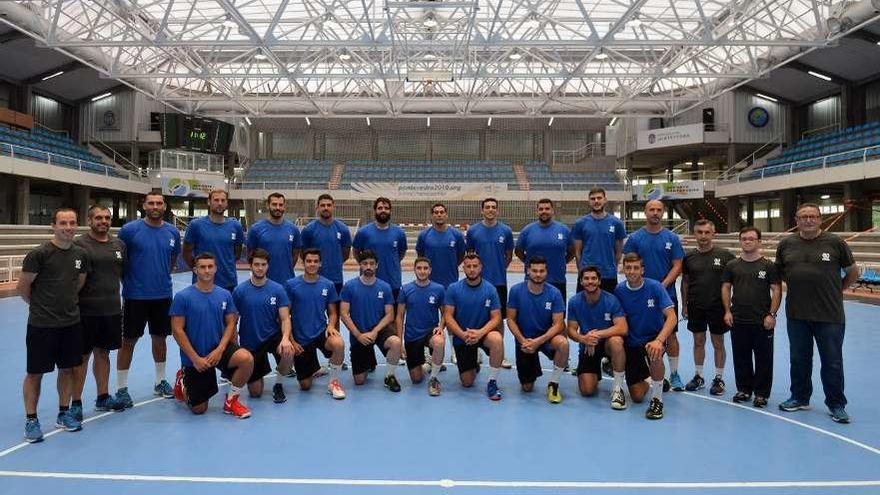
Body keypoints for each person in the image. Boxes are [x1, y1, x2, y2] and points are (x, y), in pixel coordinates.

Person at [775, 203, 857, 423]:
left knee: (832, 361)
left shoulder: (835, 242)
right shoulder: (786, 245)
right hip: (797, 314)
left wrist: (836, 289)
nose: (808, 220)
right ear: (796, 220)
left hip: (830, 315)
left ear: (820, 219)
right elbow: (782, 273)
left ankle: (836, 404)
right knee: (799, 359)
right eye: (803, 217)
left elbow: (852, 272)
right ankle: (800, 397)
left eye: (812, 216)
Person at [18, 208, 90, 442]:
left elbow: (78, 283)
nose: (68, 227)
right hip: (42, 324)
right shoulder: (39, 254)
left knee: (68, 369)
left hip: (70, 323)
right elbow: (24, 288)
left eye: (72, 223)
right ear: (53, 225)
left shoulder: (80, 254)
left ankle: (63, 412)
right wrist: (41, 306)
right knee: (35, 373)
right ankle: (31, 420)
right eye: (63, 223)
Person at [116, 191, 181, 407]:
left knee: (160, 338)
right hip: (135, 296)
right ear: (144, 205)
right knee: (128, 341)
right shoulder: (129, 231)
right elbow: (120, 261)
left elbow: (172, 260)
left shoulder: (172, 232)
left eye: (159, 203)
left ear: (164, 206)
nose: (155, 206)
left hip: (162, 295)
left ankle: (160, 381)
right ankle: (121, 388)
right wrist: (131, 283)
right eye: (151, 203)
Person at [170, 253, 254, 418]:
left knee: (246, 359)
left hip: (218, 349)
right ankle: (182, 382)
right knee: (199, 409)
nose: (207, 270)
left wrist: (220, 349)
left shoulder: (224, 295)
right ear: (195, 270)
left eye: (210, 266)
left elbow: (231, 323)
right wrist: (195, 359)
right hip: (196, 356)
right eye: (202, 267)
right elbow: (177, 330)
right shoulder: (183, 297)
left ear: (215, 268)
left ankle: (231, 401)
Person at [623, 200, 684, 391]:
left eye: (659, 210)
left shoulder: (671, 238)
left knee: (671, 335)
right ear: (645, 212)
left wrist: (661, 285)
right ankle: (643, 369)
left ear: (663, 213)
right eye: (652, 209)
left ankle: (674, 374)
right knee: (637, 332)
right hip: (639, 295)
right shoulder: (635, 238)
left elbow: (678, 265)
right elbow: (629, 263)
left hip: (667, 293)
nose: (655, 213)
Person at [72, 205, 126, 419]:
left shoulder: (119, 245)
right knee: (82, 357)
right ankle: (75, 402)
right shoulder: (79, 245)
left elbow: (122, 274)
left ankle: (102, 397)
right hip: (85, 311)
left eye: (106, 218)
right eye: (98, 218)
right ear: (89, 219)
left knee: (103, 354)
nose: (103, 221)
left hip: (111, 309)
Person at [721, 227, 781, 408]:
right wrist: (727, 311)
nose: (747, 241)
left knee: (764, 358)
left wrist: (771, 314)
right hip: (738, 319)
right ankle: (744, 389)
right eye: (744, 239)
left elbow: (777, 289)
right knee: (741, 357)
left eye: (751, 239)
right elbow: (725, 287)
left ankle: (762, 393)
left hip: (762, 321)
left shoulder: (768, 266)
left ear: (759, 242)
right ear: (740, 241)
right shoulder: (732, 265)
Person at [614, 253, 678, 420]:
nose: (632, 271)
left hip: (652, 339)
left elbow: (672, 317)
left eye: (636, 267)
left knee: (655, 353)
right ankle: (654, 379)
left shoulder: (655, 287)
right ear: (623, 270)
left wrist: (659, 340)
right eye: (628, 267)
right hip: (632, 342)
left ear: (642, 270)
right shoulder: (619, 290)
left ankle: (657, 399)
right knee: (636, 396)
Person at [232, 249, 294, 403]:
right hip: (250, 340)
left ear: (268, 266)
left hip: (272, 336)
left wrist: (286, 338)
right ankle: (257, 371)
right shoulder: (240, 291)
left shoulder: (277, 289)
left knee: (289, 353)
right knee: (255, 393)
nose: (260, 268)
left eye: (263, 264)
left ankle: (278, 384)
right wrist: (235, 346)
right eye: (257, 264)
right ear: (250, 266)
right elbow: (232, 322)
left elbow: (285, 318)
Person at [681, 219, 735, 395]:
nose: (703, 236)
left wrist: (729, 308)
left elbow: (733, 282)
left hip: (718, 307)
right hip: (696, 305)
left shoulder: (726, 256)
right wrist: (685, 305)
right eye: (699, 232)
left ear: (713, 234)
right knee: (698, 341)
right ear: (695, 234)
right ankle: (699, 376)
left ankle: (719, 378)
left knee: (717, 342)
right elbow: (686, 282)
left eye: (706, 232)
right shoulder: (688, 257)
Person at [285, 248, 347, 399]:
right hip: (300, 337)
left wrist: (331, 326)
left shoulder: (328, 285)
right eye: (309, 261)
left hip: (320, 332)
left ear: (320, 264)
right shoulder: (291, 285)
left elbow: (332, 312)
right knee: (305, 386)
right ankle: (313, 368)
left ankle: (334, 383)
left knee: (338, 343)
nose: (312, 264)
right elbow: (285, 316)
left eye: (315, 261)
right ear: (303, 263)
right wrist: (291, 340)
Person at [506, 256, 568, 403]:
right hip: (525, 340)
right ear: (528, 271)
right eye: (534, 271)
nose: (538, 274)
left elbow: (559, 324)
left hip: (546, 339)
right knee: (527, 388)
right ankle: (533, 363)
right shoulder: (516, 291)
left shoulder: (554, 293)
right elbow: (510, 319)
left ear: (546, 272)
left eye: (542, 271)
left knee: (563, 344)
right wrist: (523, 341)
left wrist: (538, 341)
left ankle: (554, 383)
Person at [444, 253, 505, 400]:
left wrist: (480, 333)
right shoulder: (453, 289)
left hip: (483, 334)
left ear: (481, 267)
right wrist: (462, 334)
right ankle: (474, 364)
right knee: (467, 382)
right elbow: (448, 316)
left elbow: (496, 317)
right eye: (468, 266)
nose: (472, 269)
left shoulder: (490, 289)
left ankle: (492, 381)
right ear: (463, 268)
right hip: (463, 336)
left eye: (475, 266)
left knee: (496, 339)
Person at [340, 250, 403, 391]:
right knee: (360, 381)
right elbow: (344, 314)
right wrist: (358, 335)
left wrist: (375, 331)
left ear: (376, 266)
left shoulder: (385, 287)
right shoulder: (349, 286)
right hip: (360, 332)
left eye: (372, 263)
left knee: (396, 342)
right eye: (365, 263)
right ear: (360, 265)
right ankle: (368, 359)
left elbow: (390, 315)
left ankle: (389, 376)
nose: (368, 266)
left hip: (379, 330)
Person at [567, 266, 628, 410]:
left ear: (599, 281)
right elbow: (571, 330)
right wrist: (583, 339)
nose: (590, 282)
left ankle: (618, 389)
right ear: (581, 282)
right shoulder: (575, 301)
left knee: (617, 341)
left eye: (594, 278)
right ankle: (599, 369)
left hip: (606, 344)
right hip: (588, 347)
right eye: (586, 279)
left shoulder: (611, 300)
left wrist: (595, 335)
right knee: (587, 391)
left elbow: (622, 328)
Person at [465, 197, 514, 369]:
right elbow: (469, 255)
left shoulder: (506, 231)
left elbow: (509, 255)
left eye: (494, 207)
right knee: (475, 315)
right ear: (482, 210)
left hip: (499, 282)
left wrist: (499, 268)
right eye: (487, 207)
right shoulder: (473, 231)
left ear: (497, 210)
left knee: (499, 318)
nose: (491, 209)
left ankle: (500, 352)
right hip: (477, 282)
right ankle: (475, 349)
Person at [396, 257, 446, 396]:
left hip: (430, 332)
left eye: (425, 268)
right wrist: (400, 341)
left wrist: (441, 327)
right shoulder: (406, 289)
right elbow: (399, 316)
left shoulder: (439, 289)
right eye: (419, 268)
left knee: (439, 342)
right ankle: (428, 365)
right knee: (416, 379)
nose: (422, 271)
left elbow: (446, 313)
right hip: (412, 335)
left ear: (430, 270)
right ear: (414, 270)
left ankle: (434, 379)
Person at [182, 188, 244, 293]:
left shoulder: (235, 226)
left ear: (227, 203)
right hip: (202, 283)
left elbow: (237, 254)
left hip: (228, 283)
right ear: (209, 202)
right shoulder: (196, 225)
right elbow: (186, 252)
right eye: (216, 200)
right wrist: (197, 268)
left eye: (223, 200)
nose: (219, 203)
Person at [515, 198, 575, 301]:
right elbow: (518, 251)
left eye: (547, 209)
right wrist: (529, 263)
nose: (544, 211)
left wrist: (561, 262)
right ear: (537, 211)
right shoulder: (527, 230)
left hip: (558, 281)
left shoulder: (564, 230)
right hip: (532, 281)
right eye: (541, 209)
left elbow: (572, 251)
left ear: (552, 211)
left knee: (558, 315)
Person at [352, 197, 407, 304]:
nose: (383, 210)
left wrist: (391, 262)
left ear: (390, 211)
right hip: (369, 282)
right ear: (375, 211)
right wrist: (365, 265)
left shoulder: (399, 233)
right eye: (380, 208)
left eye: (386, 208)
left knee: (392, 317)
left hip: (393, 282)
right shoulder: (363, 232)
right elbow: (356, 251)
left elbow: (400, 254)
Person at [572, 187, 626, 293]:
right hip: (587, 275)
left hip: (609, 275)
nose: (596, 201)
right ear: (589, 201)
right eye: (593, 199)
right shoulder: (580, 223)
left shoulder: (616, 223)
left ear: (605, 200)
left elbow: (619, 252)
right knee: (584, 307)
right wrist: (582, 271)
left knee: (609, 308)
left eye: (599, 198)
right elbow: (577, 252)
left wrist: (611, 267)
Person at [300, 194, 352, 300]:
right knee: (313, 312)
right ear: (317, 208)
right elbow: (303, 253)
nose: (326, 208)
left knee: (335, 314)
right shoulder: (308, 230)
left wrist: (334, 262)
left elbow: (345, 254)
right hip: (314, 279)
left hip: (336, 280)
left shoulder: (343, 229)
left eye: (329, 205)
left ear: (333, 207)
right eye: (323, 205)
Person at [245, 192, 301, 285]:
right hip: (263, 283)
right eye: (274, 204)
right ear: (268, 205)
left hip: (287, 282)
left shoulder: (293, 229)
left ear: (284, 206)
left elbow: (295, 255)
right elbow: (250, 255)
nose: (278, 208)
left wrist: (285, 269)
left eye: (280, 205)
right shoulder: (256, 229)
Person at [415, 203, 465, 288]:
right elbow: (421, 256)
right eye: (436, 212)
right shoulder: (423, 235)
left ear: (446, 215)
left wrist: (451, 265)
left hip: (451, 282)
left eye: (442, 212)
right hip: (429, 283)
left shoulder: (457, 235)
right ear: (432, 216)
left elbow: (461, 255)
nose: (439, 215)